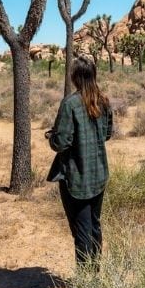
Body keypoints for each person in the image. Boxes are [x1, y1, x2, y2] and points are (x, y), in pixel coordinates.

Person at [46, 56, 113, 266]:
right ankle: (95, 275)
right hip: (99, 173)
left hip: (77, 177)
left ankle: (85, 285)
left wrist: (52, 136)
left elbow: (61, 143)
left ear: (75, 77)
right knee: (94, 225)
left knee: (81, 231)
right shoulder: (103, 101)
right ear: (93, 75)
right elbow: (107, 134)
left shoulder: (71, 104)